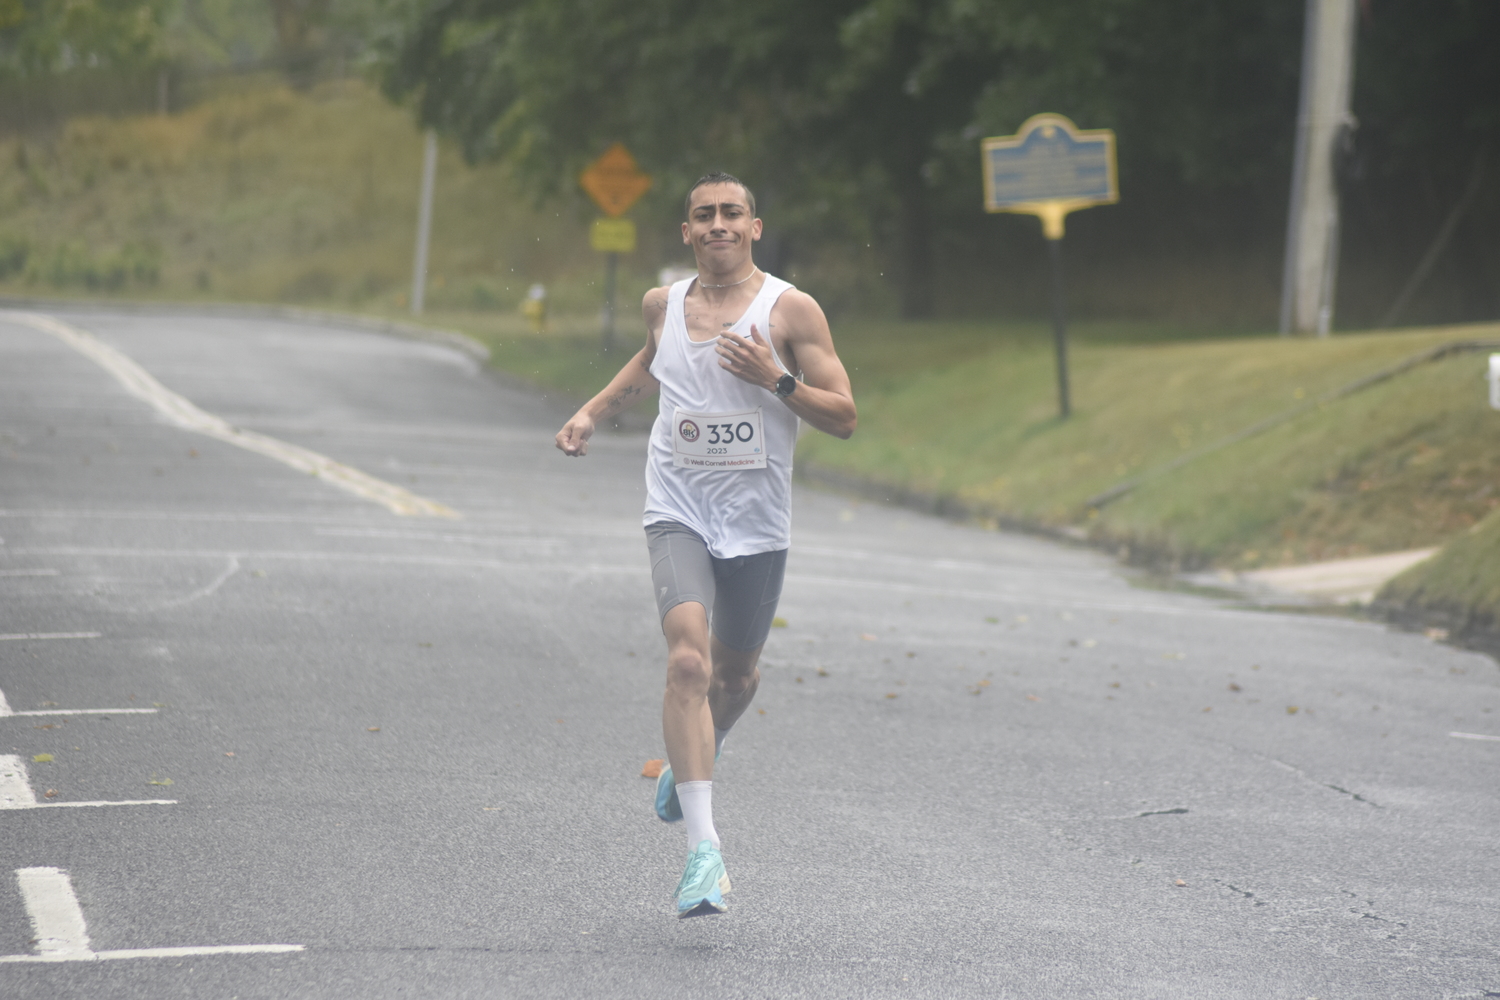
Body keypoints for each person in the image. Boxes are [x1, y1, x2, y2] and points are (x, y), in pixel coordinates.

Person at [555, 171, 857, 918]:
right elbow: (650, 362)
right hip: (678, 506)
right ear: (686, 232)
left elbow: (845, 416)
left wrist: (776, 380)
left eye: (731, 213)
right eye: (703, 215)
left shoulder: (790, 309)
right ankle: (703, 853)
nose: (717, 224)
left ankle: (701, 745)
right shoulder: (665, 304)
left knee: (735, 678)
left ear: (755, 227)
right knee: (686, 660)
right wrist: (592, 411)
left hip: (756, 521)